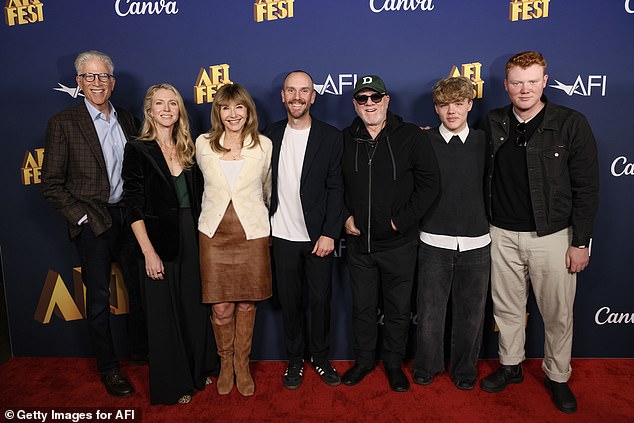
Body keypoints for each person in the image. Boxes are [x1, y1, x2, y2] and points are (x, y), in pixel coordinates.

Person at [480, 51, 599, 414]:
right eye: (517, 82)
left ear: (545, 81)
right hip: (500, 233)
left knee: (558, 313)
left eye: (532, 81)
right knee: (507, 309)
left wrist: (580, 242)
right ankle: (510, 365)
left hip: (552, 236)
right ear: (506, 85)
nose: (524, 89)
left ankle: (558, 376)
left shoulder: (570, 123)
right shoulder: (494, 121)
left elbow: (587, 188)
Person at [41, 50, 147, 398]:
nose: (97, 83)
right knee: (99, 298)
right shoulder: (64, 123)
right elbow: (51, 183)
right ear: (79, 83)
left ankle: (142, 352)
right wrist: (82, 217)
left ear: (112, 82)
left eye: (103, 77)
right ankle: (109, 368)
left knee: (140, 288)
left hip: (128, 218)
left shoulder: (129, 120)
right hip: (93, 220)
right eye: (90, 77)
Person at [341, 75, 440, 392]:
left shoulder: (411, 136)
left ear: (386, 100)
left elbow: (429, 185)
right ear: (355, 105)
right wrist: (344, 217)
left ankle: (394, 364)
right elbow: (333, 184)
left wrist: (401, 222)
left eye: (375, 97)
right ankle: (365, 361)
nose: (369, 103)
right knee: (363, 309)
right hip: (359, 246)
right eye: (362, 99)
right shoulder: (343, 139)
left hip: (399, 244)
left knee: (398, 311)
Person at [122, 83, 217, 404]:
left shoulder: (189, 146)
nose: (166, 109)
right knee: (165, 315)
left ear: (180, 110)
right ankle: (173, 385)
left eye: (172, 103)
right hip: (156, 240)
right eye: (159, 104)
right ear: (149, 110)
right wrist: (148, 252)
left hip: (192, 233)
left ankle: (198, 369)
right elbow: (132, 206)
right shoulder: (137, 149)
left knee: (193, 306)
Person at [264, 71, 344, 389]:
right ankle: (295, 360)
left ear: (313, 97)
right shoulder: (268, 135)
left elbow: (336, 187)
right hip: (281, 236)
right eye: (291, 91)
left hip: (317, 239)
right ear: (283, 96)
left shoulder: (331, 136)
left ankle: (320, 358)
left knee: (321, 301)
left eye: (304, 91)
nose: (297, 96)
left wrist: (329, 233)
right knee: (291, 303)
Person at [412, 76, 490, 391]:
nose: (452, 111)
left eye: (459, 104)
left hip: (477, 241)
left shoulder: (486, 141)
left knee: (471, 315)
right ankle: (427, 365)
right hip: (433, 240)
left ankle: (465, 368)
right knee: (430, 313)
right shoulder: (424, 141)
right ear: (436, 108)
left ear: (470, 104)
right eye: (445, 105)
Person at [196, 83, 273, 397]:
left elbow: (268, 189)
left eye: (238, 107)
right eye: (225, 108)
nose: (232, 114)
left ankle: (242, 364)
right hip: (214, 235)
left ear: (248, 111)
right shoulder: (202, 144)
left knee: (246, 303)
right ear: (218, 112)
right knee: (222, 307)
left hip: (252, 233)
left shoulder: (263, 145)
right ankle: (224, 363)